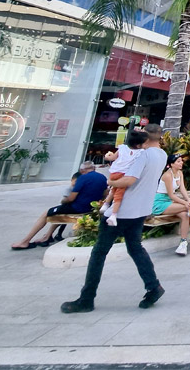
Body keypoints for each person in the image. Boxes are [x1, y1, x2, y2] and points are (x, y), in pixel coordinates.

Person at [61, 126, 167, 313]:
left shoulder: (144, 156)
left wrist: (110, 182)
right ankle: (153, 286)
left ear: (144, 137)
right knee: (135, 248)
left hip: (123, 211)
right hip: (140, 210)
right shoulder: (162, 155)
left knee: (99, 252)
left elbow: (129, 180)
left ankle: (87, 298)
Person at [11, 161, 107, 250]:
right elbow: (105, 195)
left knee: (47, 213)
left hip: (78, 208)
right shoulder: (103, 178)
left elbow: (71, 198)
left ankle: (25, 241)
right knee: (61, 211)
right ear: (94, 168)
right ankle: (47, 236)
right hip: (91, 209)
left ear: (82, 170)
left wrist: (64, 200)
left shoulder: (82, 178)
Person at [151, 153, 190, 255]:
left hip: (169, 201)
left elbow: (182, 189)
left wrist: (188, 200)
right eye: (178, 161)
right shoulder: (167, 175)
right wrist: (186, 203)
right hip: (160, 202)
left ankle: (183, 244)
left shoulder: (180, 173)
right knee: (188, 208)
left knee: (186, 214)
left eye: (181, 161)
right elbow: (171, 195)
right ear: (171, 164)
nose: (181, 163)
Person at [99, 133, 145, 226]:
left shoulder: (122, 148)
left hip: (113, 172)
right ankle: (113, 215)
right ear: (139, 145)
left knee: (113, 189)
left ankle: (105, 204)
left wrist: (108, 155)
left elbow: (111, 158)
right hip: (123, 175)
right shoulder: (140, 152)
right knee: (119, 195)